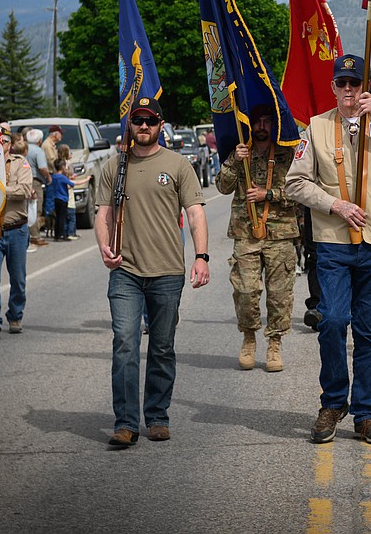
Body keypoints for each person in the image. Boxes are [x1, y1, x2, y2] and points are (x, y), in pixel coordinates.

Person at [286, 54, 371, 445]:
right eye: (342, 84)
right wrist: (336, 205)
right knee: (330, 320)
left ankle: (366, 413)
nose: (349, 91)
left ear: (365, 87)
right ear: (333, 88)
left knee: (367, 329)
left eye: (355, 83)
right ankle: (332, 402)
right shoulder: (315, 127)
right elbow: (295, 182)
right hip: (333, 242)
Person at [95, 96, 210, 446]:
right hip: (125, 271)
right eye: (137, 121)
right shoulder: (115, 166)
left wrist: (202, 256)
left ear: (161, 125)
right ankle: (126, 422)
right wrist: (104, 245)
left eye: (150, 121)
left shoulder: (178, 165)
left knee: (161, 347)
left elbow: (195, 213)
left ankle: (157, 416)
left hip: (167, 272)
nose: (143, 126)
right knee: (125, 345)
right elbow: (103, 214)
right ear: (130, 126)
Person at [216, 105, 300, 372]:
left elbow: (300, 192)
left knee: (279, 295)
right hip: (246, 233)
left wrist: (269, 194)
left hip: (281, 233)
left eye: (267, 121)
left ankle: (274, 343)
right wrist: (233, 160)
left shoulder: (288, 154)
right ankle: (249, 338)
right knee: (245, 290)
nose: (262, 126)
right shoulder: (242, 153)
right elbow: (222, 186)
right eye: (257, 121)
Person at [0, 124, 35, 339]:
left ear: (10, 145)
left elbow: (24, 190)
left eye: (3, 141)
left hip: (16, 229)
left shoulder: (20, 164)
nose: (0, 144)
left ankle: (15, 314)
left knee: (18, 279)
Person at [24, 129, 50, 248]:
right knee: (35, 208)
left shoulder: (24, 149)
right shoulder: (38, 151)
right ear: (39, 140)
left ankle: (29, 234)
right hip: (35, 181)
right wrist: (49, 177)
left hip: (24, 180)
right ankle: (35, 235)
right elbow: (42, 168)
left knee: (26, 208)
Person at [58, 144, 80, 240]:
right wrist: (72, 177)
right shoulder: (67, 164)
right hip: (68, 189)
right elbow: (69, 174)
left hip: (60, 189)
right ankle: (71, 232)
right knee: (71, 214)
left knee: (63, 214)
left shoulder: (57, 163)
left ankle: (65, 232)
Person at [50, 157, 74, 241]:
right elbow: (71, 184)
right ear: (63, 167)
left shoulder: (54, 176)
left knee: (57, 217)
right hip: (63, 199)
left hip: (56, 198)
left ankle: (56, 235)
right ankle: (62, 235)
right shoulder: (62, 177)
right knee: (62, 217)